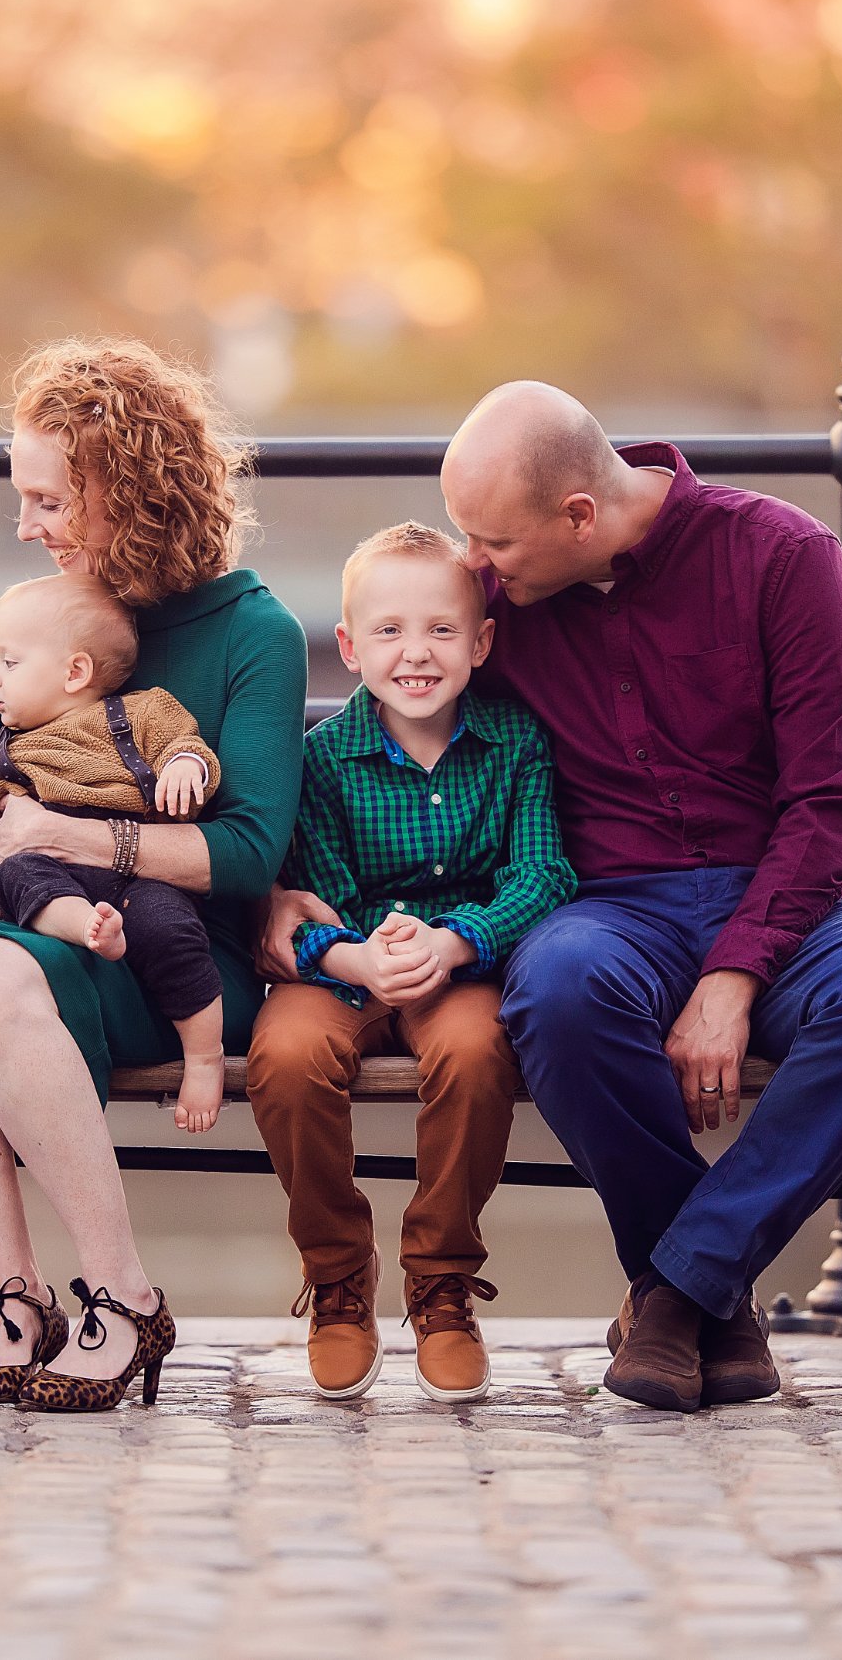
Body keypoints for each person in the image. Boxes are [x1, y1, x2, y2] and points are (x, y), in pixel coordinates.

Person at [266, 382, 842, 1413]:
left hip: (789, 895)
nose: (475, 564)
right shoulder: (506, 597)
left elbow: (828, 804)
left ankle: (676, 1293)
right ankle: (707, 1291)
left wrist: (734, 971)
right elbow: (394, 693)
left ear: (578, 517)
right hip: (611, 904)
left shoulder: (782, 558)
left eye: (492, 541)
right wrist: (281, 884)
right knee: (559, 987)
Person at [0, 338, 307, 1412]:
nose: (26, 526)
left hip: (184, 953)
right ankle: (18, 1296)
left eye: (49, 498)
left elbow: (247, 854)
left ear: (131, 484)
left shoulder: (256, 632)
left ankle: (124, 1296)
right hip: (47, 923)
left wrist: (70, 843)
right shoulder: (37, 620)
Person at [245, 522, 574, 1404]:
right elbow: (302, 901)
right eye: (388, 631)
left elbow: (543, 872)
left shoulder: (516, 744)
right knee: (283, 1059)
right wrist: (352, 957)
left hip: (458, 965)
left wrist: (455, 939)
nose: (415, 653)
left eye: (439, 630)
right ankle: (338, 1277)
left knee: (476, 1055)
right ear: (350, 647)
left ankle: (441, 1283)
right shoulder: (318, 762)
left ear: (481, 642)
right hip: (344, 967)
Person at [0, 571, 228, 1133]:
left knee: (173, 931)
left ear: (75, 672)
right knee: (19, 871)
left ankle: (204, 1056)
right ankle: (85, 926)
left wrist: (185, 766)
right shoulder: (5, 754)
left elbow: (187, 744)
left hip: (140, 872)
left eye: (10, 663)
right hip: (58, 882)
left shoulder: (141, 713)